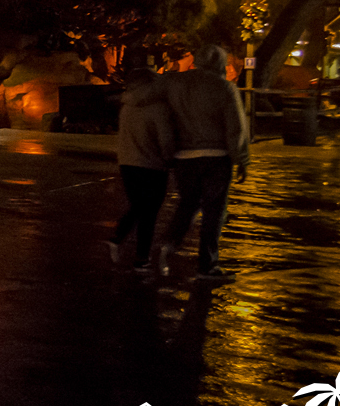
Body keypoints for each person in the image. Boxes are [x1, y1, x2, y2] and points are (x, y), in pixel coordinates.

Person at [156, 44, 249, 280]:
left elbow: (163, 117)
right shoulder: (224, 87)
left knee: (187, 204)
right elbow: (235, 128)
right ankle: (207, 265)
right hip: (216, 158)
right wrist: (241, 159)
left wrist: (167, 152)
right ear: (220, 63)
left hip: (184, 158)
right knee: (213, 211)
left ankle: (168, 244)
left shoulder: (174, 84)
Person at [107, 67, 174, 270]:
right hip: (152, 164)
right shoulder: (159, 107)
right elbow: (166, 139)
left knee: (139, 206)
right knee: (149, 211)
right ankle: (141, 257)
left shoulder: (126, 106)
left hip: (127, 162)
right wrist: (169, 158)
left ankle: (119, 238)